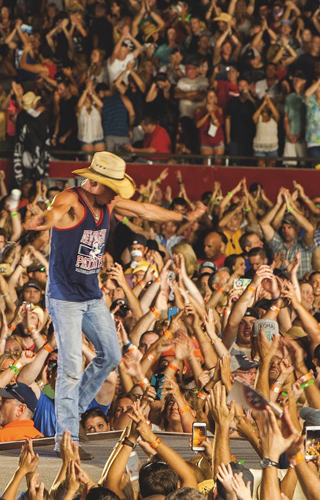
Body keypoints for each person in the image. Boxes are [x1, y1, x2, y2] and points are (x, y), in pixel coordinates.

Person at [24, 151, 206, 457]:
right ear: (95, 183)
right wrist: (39, 220)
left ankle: (70, 409)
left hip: (92, 296)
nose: (116, 193)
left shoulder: (108, 203)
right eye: (112, 186)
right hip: (64, 297)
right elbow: (54, 214)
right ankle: (67, 440)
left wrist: (184, 217)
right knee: (70, 368)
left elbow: (146, 211)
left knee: (110, 356)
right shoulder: (70, 200)